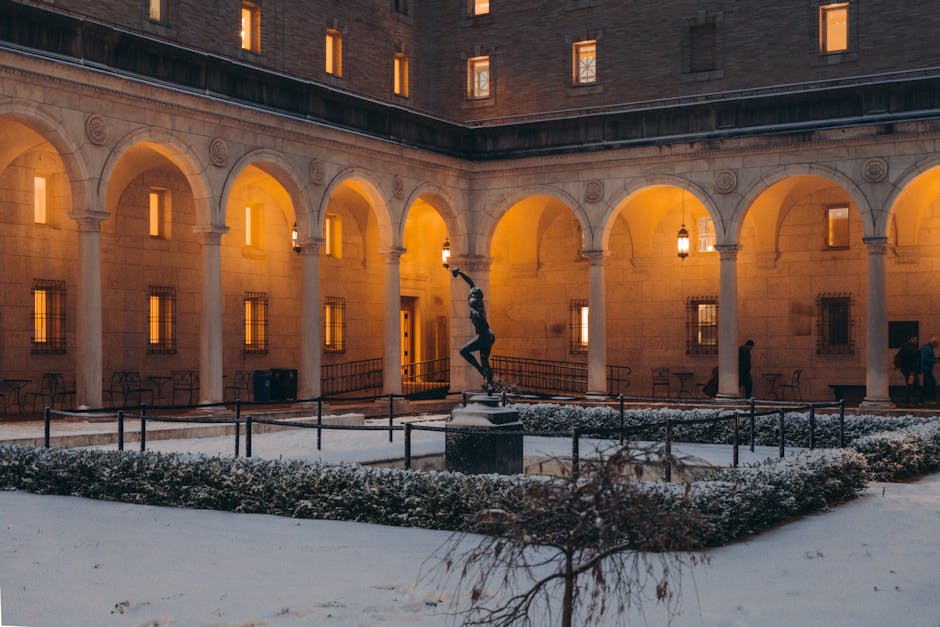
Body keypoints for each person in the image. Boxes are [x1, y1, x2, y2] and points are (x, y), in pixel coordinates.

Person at [450, 267, 496, 390]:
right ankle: (489, 382)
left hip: (483, 336)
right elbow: (470, 282)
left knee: (463, 351)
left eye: (471, 300)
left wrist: (479, 322)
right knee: (485, 360)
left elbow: (482, 323)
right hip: (488, 335)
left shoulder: (476, 310)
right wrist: (459, 273)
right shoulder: (478, 299)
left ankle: (483, 373)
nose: (470, 301)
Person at [896, 335, 921, 404]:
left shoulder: (908, 347)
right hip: (910, 371)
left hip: (909, 370)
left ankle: (909, 399)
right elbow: (909, 360)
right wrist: (912, 370)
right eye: (915, 339)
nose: (916, 340)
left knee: (912, 384)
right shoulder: (909, 348)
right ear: (911, 339)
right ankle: (908, 399)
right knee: (912, 384)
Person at [920, 336, 939, 402]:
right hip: (926, 369)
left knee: (928, 384)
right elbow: (924, 359)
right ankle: (926, 398)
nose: (937, 346)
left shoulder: (929, 348)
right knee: (930, 383)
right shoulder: (927, 348)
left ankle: (924, 398)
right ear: (933, 343)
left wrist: (935, 359)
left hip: (928, 369)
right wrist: (934, 360)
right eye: (937, 344)